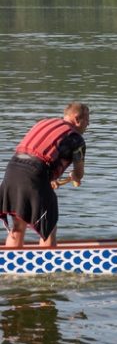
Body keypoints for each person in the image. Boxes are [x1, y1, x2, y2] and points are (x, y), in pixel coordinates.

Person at [0, 102, 90, 247]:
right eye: (87, 119)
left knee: (17, 228)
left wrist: (49, 179)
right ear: (77, 119)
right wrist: (75, 176)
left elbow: (36, 154)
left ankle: (10, 264)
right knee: (48, 229)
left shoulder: (44, 122)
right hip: (35, 175)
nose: (89, 124)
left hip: (12, 170)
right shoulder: (76, 139)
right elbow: (79, 173)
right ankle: (47, 267)